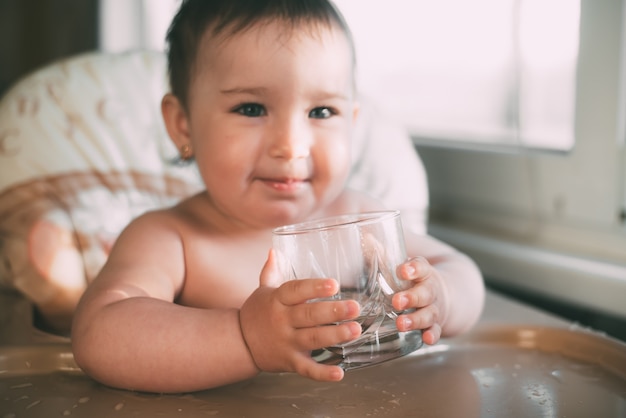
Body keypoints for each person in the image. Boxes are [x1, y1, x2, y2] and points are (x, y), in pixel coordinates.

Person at [71, 0, 485, 393]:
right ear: (183, 125)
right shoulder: (170, 238)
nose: (290, 146)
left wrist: (440, 299)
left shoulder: (358, 218)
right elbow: (99, 334)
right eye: (251, 108)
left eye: (321, 112)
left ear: (352, 124)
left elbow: (460, 268)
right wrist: (245, 337)